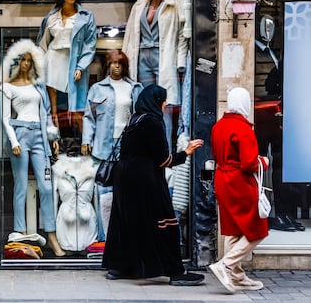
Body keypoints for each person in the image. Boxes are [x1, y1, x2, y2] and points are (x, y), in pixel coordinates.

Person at [102, 84, 205, 286]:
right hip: (146, 180)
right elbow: (163, 160)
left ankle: (119, 267)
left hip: (124, 178)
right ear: (155, 101)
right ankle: (175, 272)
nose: (165, 104)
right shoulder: (154, 122)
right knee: (165, 222)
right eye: (163, 100)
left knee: (127, 222)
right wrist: (187, 152)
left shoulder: (135, 119)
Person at [0, 39, 65, 257]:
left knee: (46, 187)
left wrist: (52, 137)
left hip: (39, 136)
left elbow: (45, 115)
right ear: (17, 62)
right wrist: (14, 142)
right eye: (22, 60)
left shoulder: (38, 87)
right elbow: (6, 119)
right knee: (21, 186)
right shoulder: (7, 87)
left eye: (29, 60)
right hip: (20, 134)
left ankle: (52, 235)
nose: (26, 64)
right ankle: (20, 232)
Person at [209, 87, 269, 293]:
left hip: (222, 179)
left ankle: (237, 276)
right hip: (239, 182)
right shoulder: (243, 129)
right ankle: (225, 265)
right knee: (257, 229)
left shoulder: (218, 126)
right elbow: (249, 164)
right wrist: (264, 161)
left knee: (233, 229)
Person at [122, 0, 188, 151]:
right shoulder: (139, 6)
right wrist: (125, 59)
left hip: (163, 57)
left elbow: (182, 36)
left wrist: (180, 61)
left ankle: (163, 147)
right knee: (143, 101)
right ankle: (144, 144)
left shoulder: (173, 6)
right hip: (141, 56)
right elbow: (130, 34)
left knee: (164, 104)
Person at [81, 49, 143, 241]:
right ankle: (104, 237)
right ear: (108, 65)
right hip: (103, 146)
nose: (117, 66)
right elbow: (89, 117)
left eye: (120, 63)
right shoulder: (97, 89)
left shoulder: (134, 88)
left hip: (128, 145)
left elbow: (141, 117)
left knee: (127, 192)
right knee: (104, 192)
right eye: (114, 63)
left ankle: (125, 236)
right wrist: (86, 140)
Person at [36, 0, 97, 132]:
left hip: (73, 62)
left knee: (77, 108)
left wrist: (81, 66)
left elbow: (90, 44)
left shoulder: (85, 16)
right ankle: (53, 142)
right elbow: (43, 43)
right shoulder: (51, 18)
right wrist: (37, 65)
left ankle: (86, 142)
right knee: (52, 107)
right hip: (52, 59)